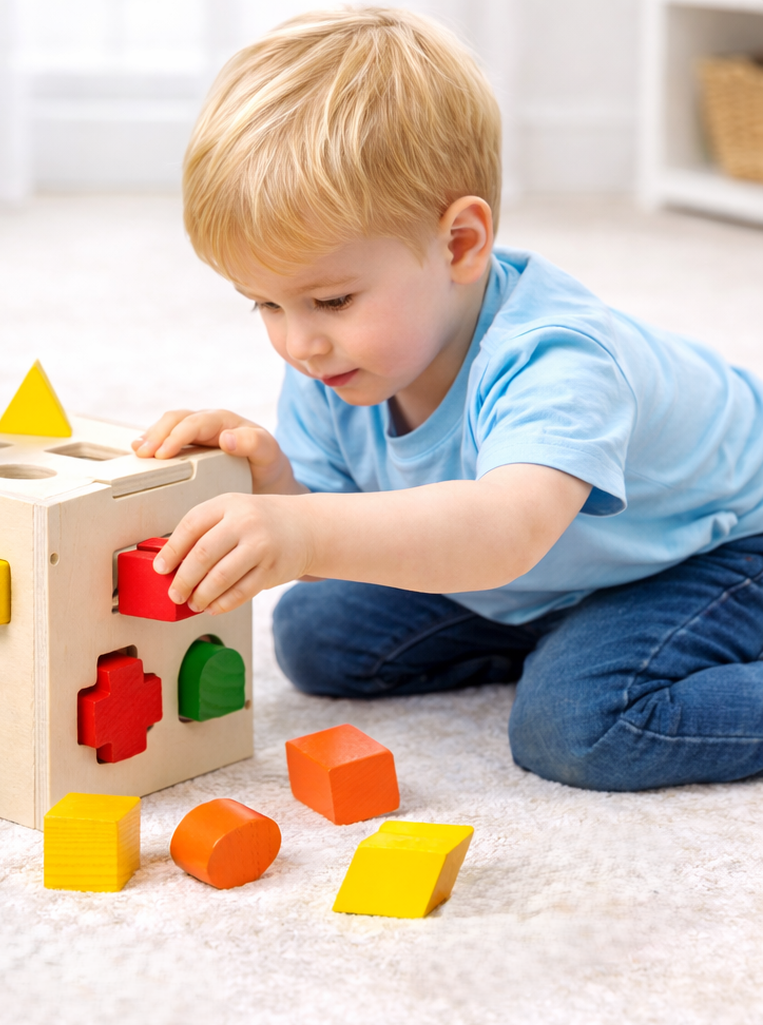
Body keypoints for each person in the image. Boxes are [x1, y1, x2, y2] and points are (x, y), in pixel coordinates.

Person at [130, 7, 763, 792]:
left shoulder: (555, 357)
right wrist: (280, 493)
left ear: (460, 244)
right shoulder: (338, 368)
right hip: (555, 565)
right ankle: (571, 627)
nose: (297, 343)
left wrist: (300, 530)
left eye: (330, 301)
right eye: (263, 304)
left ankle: (598, 642)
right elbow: (339, 534)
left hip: (720, 547)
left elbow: (506, 530)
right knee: (317, 637)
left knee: (577, 724)